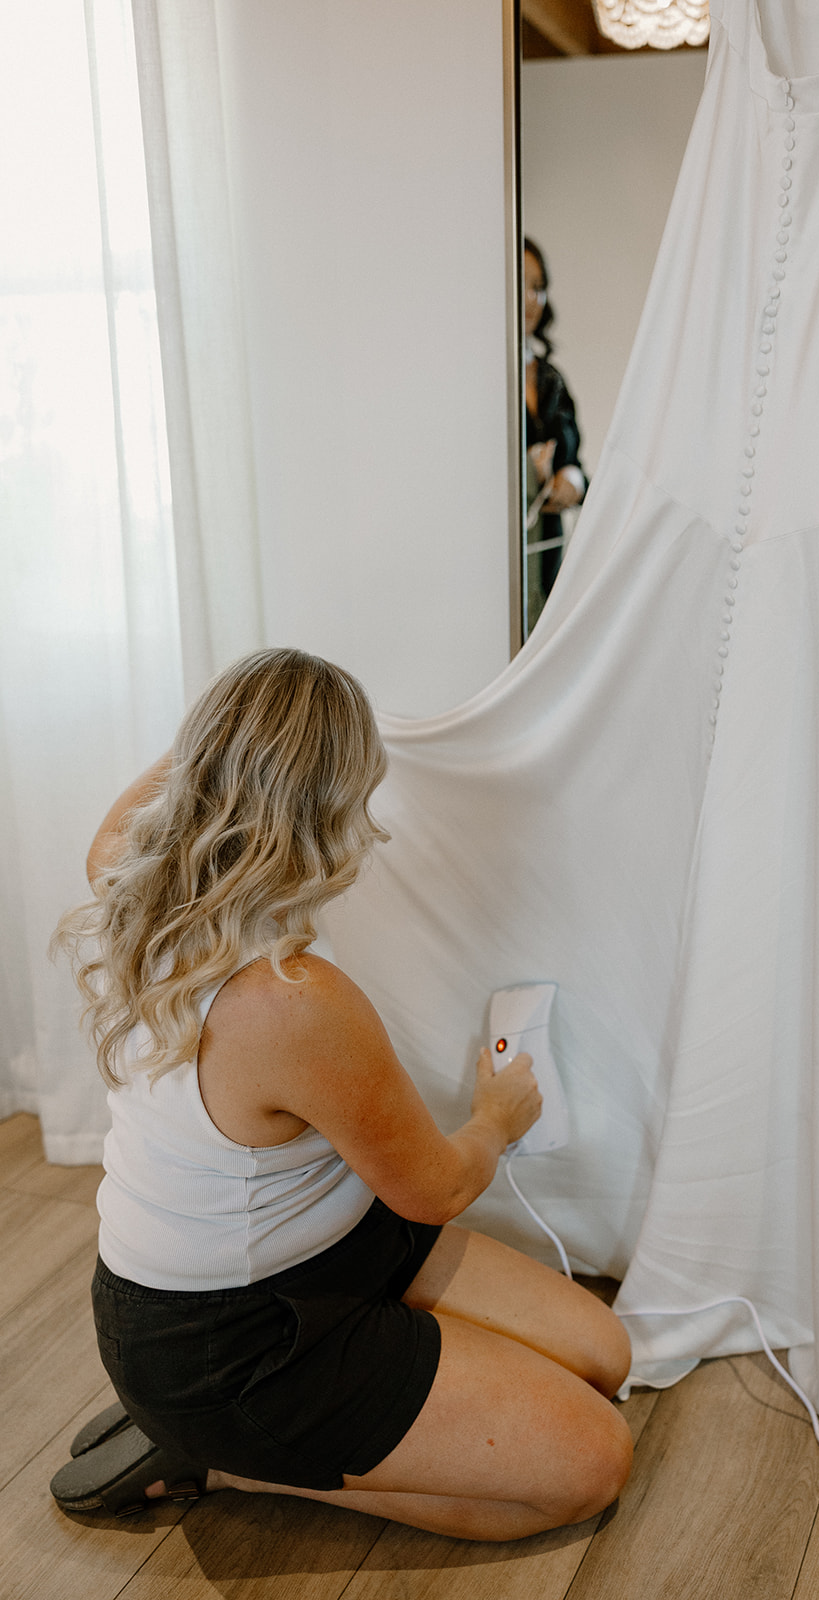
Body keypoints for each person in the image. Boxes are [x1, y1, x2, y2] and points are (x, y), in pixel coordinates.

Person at [49, 647, 632, 1540]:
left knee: (604, 1357)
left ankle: (254, 1432)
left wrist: (256, 712)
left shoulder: (122, 875)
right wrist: (496, 1119)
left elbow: (185, 779)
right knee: (592, 1466)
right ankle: (224, 1459)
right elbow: (434, 1189)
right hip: (225, 1346)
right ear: (330, 812)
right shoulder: (291, 1002)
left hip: (332, 1247)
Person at [524, 238, 586, 630]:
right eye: (522, 284)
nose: (531, 299)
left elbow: (576, 463)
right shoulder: (475, 379)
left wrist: (571, 483)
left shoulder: (551, 380)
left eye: (539, 286)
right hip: (502, 562)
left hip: (548, 557)